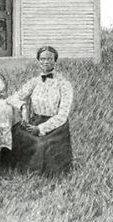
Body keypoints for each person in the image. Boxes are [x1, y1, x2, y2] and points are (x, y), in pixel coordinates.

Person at [7, 45, 73, 175]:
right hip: (35, 120)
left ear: (55, 61)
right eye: (42, 59)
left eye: (49, 59)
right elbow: (13, 98)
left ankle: (37, 174)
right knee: (15, 134)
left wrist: (40, 129)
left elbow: (62, 115)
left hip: (55, 126)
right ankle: (15, 169)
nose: (46, 62)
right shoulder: (35, 81)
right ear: (38, 61)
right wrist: (23, 107)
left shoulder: (64, 84)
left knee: (40, 144)